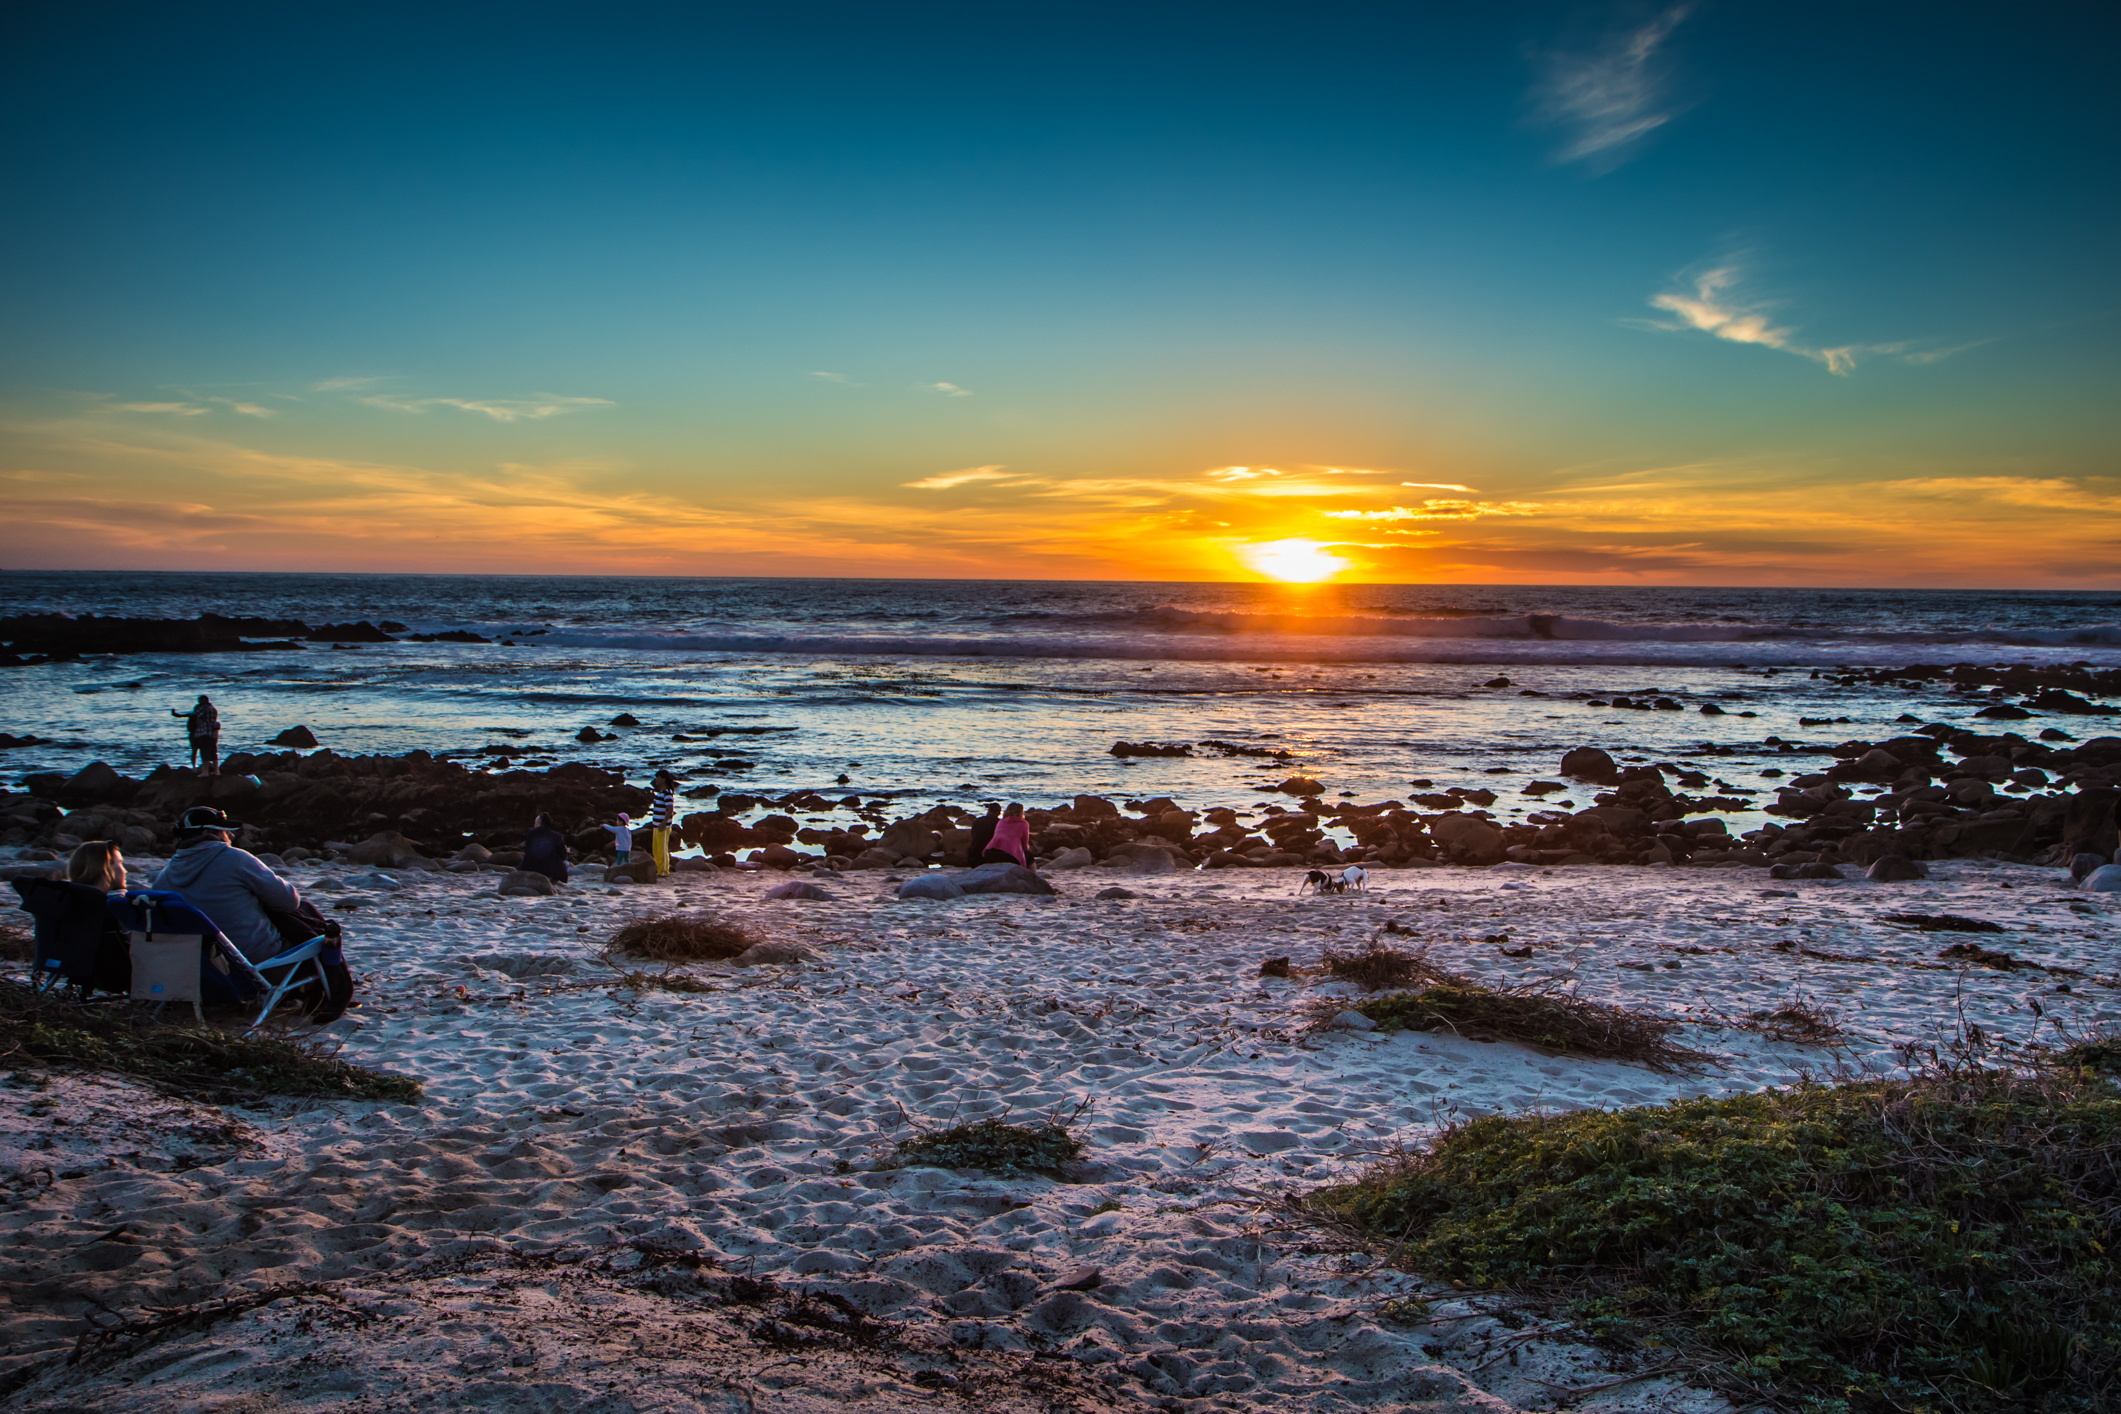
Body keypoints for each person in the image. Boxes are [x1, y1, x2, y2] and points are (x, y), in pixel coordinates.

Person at [152, 807, 306, 962]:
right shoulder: (237, 860)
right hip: (255, 961)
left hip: (198, 966)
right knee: (311, 924)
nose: (231, 835)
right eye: (224, 831)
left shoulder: (164, 876)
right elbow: (289, 901)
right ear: (208, 834)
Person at [172, 695, 221, 776]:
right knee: (213, 753)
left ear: (205, 700)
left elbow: (193, 715)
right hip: (213, 734)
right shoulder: (213, 709)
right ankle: (216, 771)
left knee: (204, 752)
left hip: (204, 732)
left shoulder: (204, 708)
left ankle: (205, 771)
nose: (199, 703)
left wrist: (179, 715)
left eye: (200, 701)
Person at [522, 812, 571, 884]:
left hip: (529, 868)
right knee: (566, 863)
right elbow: (563, 857)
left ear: (539, 823)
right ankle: (551, 884)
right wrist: (566, 851)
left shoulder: (530, 833)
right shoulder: (557, 836)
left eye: (535, 823)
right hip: (549, 871)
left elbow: (528, 850)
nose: (534, 825)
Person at [649, 771, 678, 878]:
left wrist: (664, 823)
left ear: (663, 779)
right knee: (656, 849)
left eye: (658, 777)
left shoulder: (667, 793)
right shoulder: (660, 793)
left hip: (663, 826)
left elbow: (670, 809)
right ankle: (658, 869)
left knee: (662, 849)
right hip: (656, 824)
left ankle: (664, 871)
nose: (656, 779)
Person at [982, 802, 1030, 866]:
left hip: (989, 853)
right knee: (1029, 857)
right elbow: (1024, 846)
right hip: (1008, 855)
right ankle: (1032, 875)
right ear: (1021, 812)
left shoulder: (1001, 821)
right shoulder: (1024, 824)